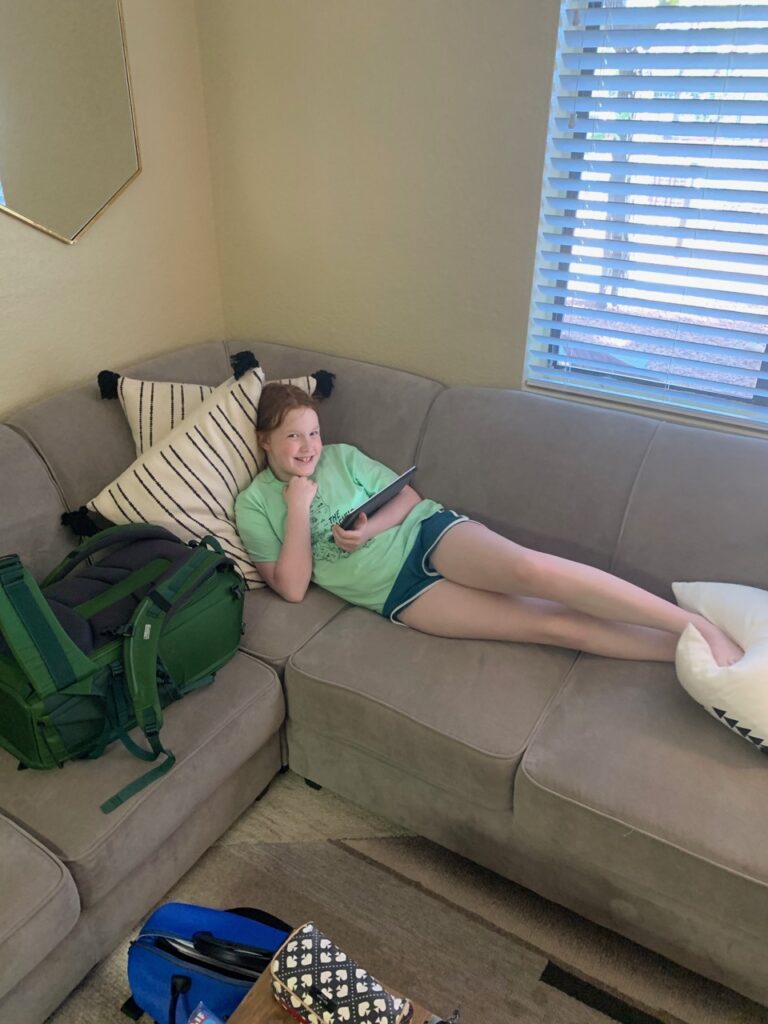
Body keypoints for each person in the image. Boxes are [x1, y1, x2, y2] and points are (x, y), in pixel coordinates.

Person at [235, 384, 743, 666]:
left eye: (314, 433)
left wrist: (368, 530)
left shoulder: (341, 458)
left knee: (531, 571)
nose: (308, 447)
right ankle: (689, 652)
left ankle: (693, 623)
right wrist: (298, 507)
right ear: (264, 441)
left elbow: (408, 496)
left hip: (427, 534)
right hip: (399, 596)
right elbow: (295, 589)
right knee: (548, 624)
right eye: (293, 437)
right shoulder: (254, 505)